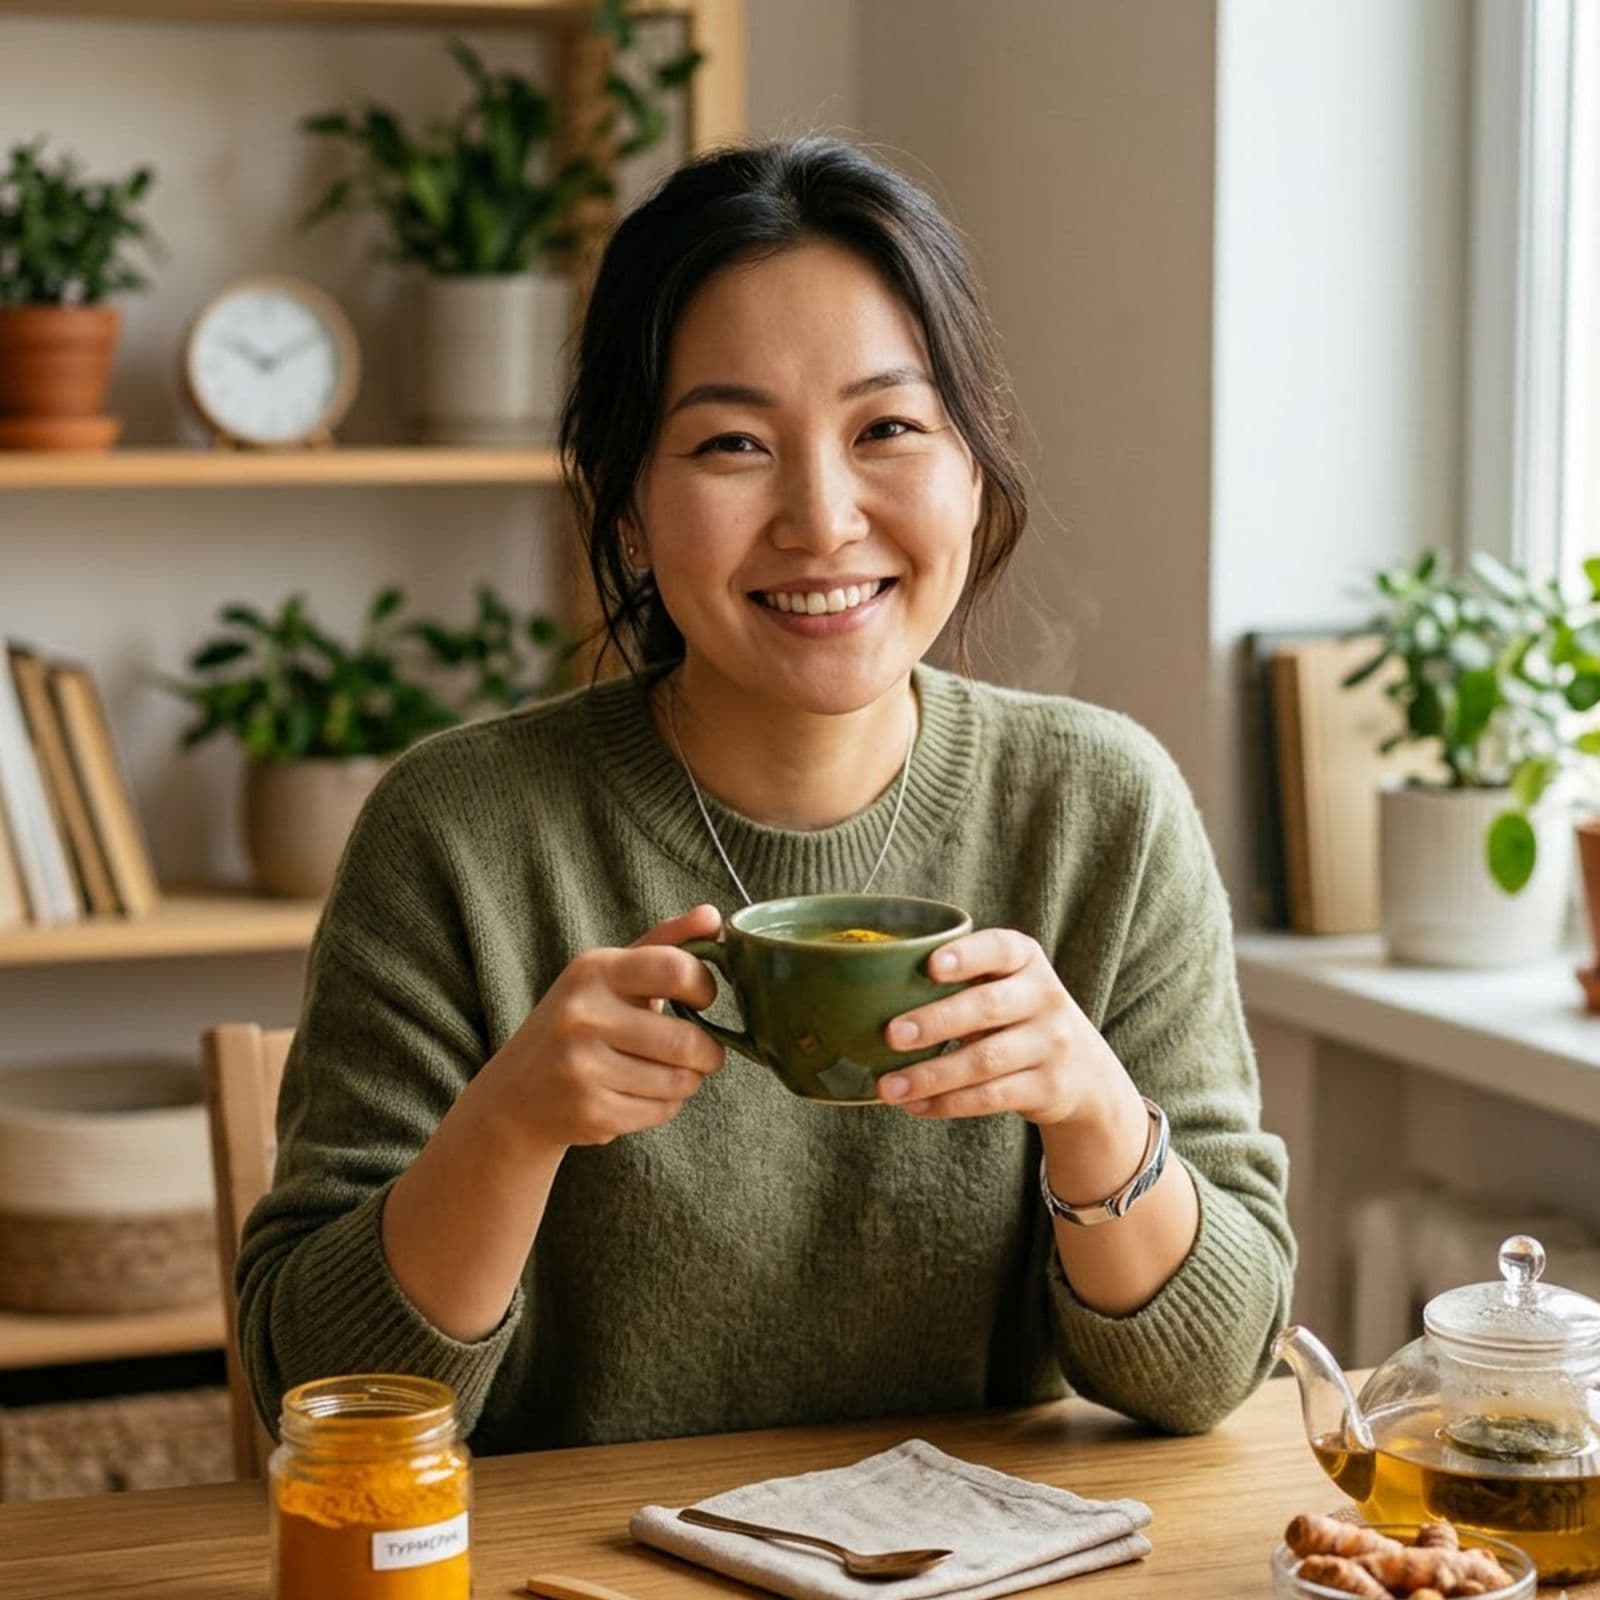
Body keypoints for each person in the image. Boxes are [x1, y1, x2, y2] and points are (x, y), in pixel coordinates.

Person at [237, 137, 1294, 1455]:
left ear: (973, 466)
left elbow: (1210, 1372)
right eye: (732, 443)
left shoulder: (1098, 808)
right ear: (626, 507)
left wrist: (1087, 1105)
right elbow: (313, 1391)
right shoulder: (459, 832)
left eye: (889, 430)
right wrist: (509, 1131)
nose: (821, 518)